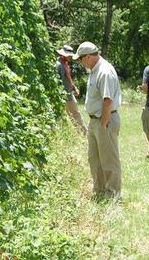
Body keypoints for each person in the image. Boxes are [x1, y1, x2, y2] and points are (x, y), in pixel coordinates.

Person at [73, 41, 122, 198]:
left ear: (88, 56)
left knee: (109, 158)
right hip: (95, 120)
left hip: (104, 119)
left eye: (81, 59)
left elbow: (107, 100)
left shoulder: (104, 71)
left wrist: (103, 123)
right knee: (94, 158)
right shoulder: (94, 70)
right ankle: (100, 190)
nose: (80, 63)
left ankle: (113, 193)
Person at [56, 45, 87, 134]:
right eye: (68, 55)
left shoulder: (65, 63)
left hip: (69, 93)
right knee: (75, 114)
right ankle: (84, 134)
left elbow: (68, 78)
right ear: (63, 54)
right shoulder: (59, 65)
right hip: (65, 95)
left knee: (74, 114)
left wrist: (74, 88)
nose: (70, 57)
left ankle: (83, 133)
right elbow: (58, 82)